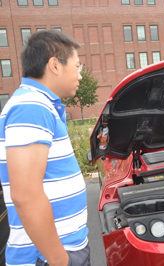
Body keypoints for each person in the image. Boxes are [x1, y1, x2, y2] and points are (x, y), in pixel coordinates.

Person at [0, 30, 90, 265]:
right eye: (77, 65)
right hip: (48, 257)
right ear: (55, 65)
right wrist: (59, 259)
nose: (80, 75)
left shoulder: (38, 105)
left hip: (57, 251)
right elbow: (25, 195)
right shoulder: (31, 107)